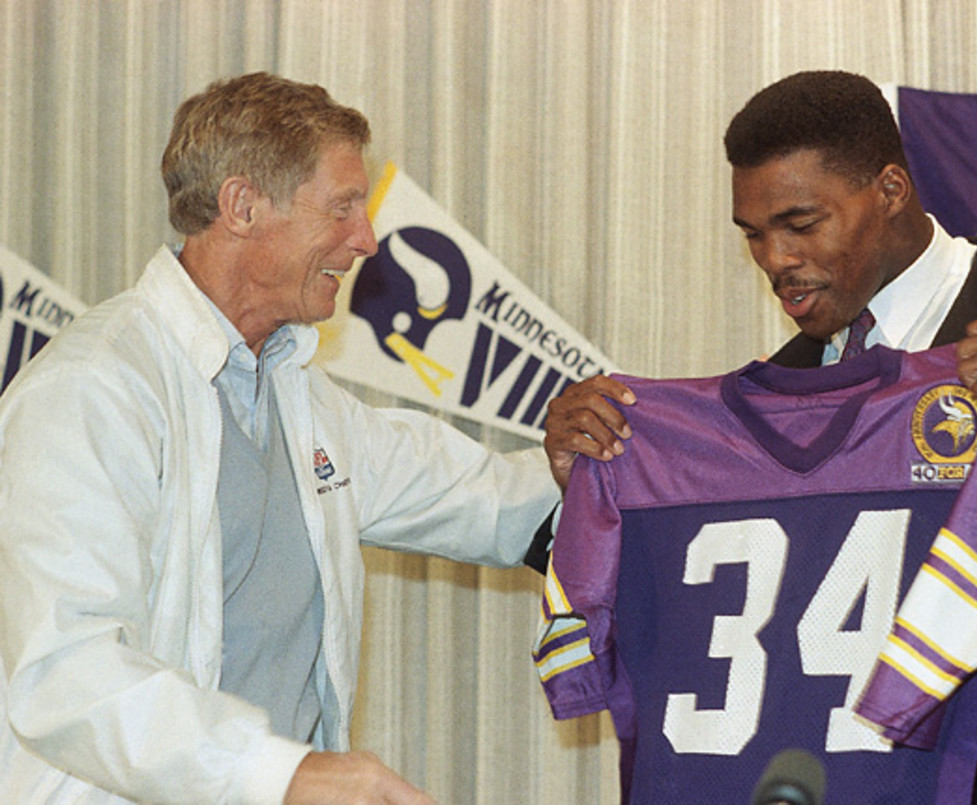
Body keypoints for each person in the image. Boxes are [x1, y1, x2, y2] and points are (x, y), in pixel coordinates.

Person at [543, 70, 977, 803]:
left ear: (890, 190)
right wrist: (588, 486)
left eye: (801, 223)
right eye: (754, 235)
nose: (775, 261)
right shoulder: (773, 393)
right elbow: (702, 609)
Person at [0, 73, 560, 804]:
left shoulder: (293, 383)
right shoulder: (89, 392)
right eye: (342, 207)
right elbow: (65, 676)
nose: (365, 239)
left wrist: (595, 465)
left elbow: (472, 495)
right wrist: (284, 773)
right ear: (241, 206)